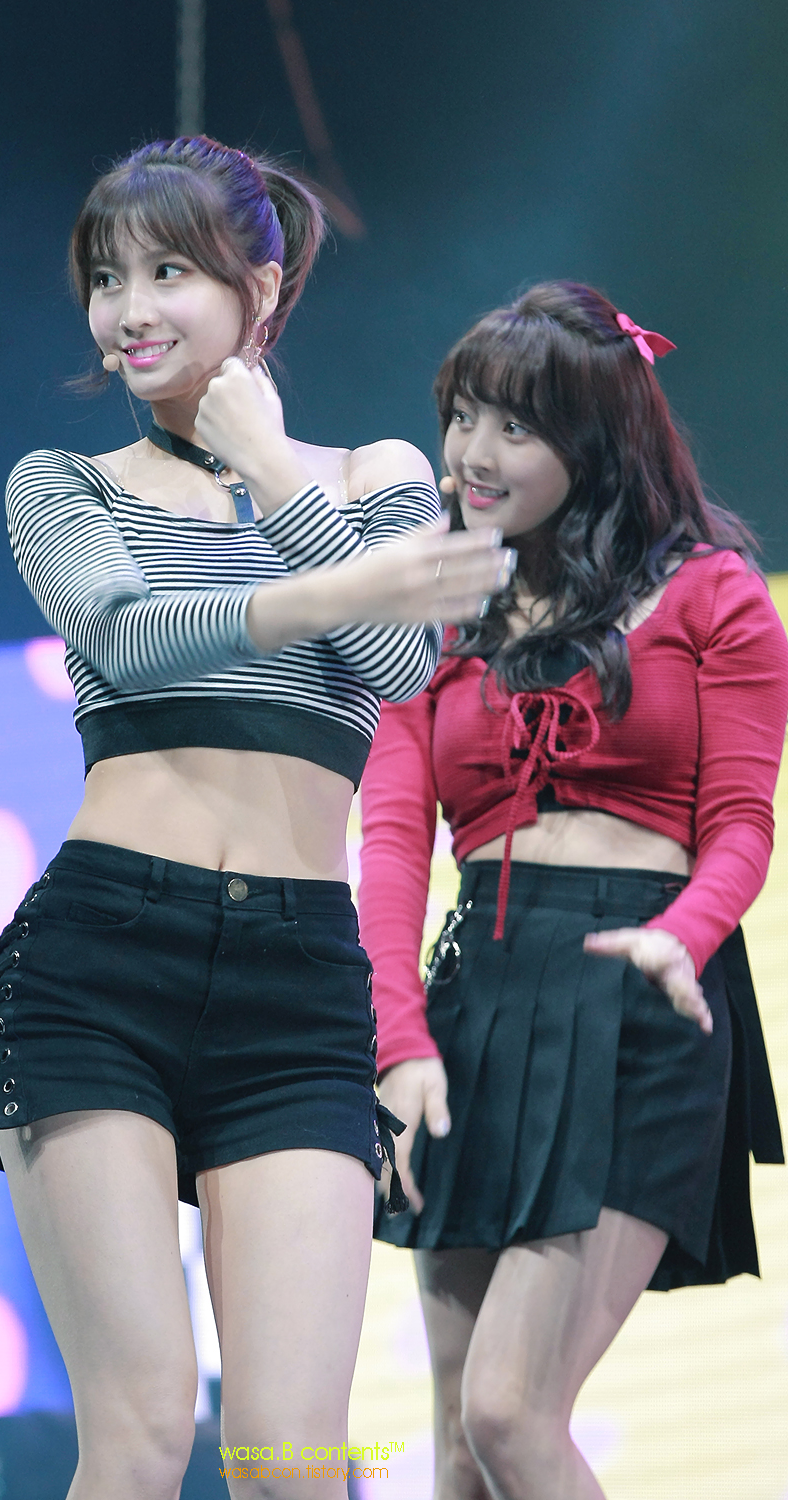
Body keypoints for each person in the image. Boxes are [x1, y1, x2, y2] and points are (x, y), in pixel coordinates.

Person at [0, 136, 511, 1500]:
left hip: (296, 982)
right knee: (139, 1437)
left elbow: (401, 668)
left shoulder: (370, 475)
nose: (127, 310)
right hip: (102, 958)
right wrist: (337, 589)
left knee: (290, 1461)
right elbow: (128, 638)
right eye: (105, 278)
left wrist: (270, 471)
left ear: (259, 289)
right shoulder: (62, 484)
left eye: (167, 273)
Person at [358, 281, 787, 1500]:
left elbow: (739, 824)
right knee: (456, 1449)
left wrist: (683, 935)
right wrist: (398, 1036)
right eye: (462, 417)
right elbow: (391, 841)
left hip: (636, 994)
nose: (471, 454)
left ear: (593, 443)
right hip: (476, 1003)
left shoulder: (712, 595)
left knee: (509, 1413)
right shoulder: (434, 609)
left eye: (515, 427)